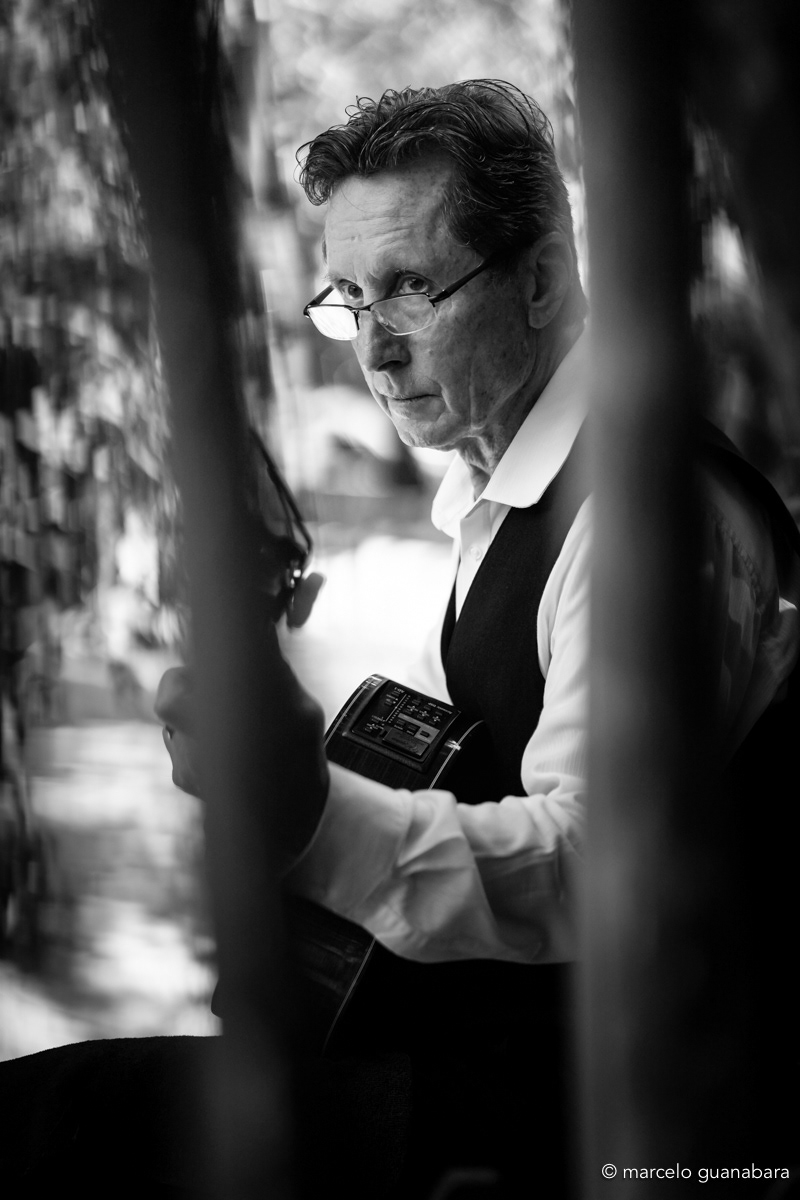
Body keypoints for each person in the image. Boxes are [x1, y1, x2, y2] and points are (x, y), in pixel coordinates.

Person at [2, 80, 799, 1200]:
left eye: (413, 290)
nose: (373, 352)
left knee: (66, 1121)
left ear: (540, 280)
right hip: (504, 1046)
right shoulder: (507, 485)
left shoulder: (642, 512)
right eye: (349, 297)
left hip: (624, 1116)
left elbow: (598, 867)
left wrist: (312, 813)